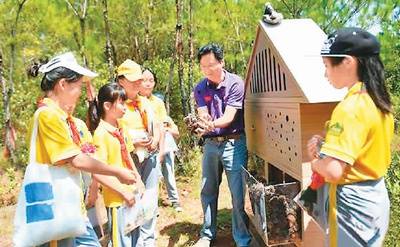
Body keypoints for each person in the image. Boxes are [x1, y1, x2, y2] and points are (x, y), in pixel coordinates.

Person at [27, 52, 137, 247]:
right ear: (62, 85)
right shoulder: (47, 116)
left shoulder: (70, 122)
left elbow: (90, 159)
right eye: (78, 86)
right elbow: (76, 160)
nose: (80, 92)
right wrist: (117, 171)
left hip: (71, 208)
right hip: (53, 208)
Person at [307, 27, 393, 247]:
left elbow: (334, 171)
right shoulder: (379, 101)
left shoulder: (350, 107)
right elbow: (362, 148)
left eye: (326, 66)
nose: (325, 73)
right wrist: (326, 144)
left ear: (347, 62)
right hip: (375, 199)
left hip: (351, 206)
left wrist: (315, 162)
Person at [192, 43, 251, 247]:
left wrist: (209, 124)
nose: (207, 70)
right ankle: (207, 234)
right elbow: (202, 113)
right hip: (210, 144)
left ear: (221, 62)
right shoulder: (200, 87)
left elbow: (228, 117)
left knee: (237, 194)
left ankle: (242, 239)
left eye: (211, 65)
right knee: (207, 189)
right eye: (203, 66)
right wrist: (201, 124)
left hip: (234, 143)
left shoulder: (236, 83)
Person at [88, 82, 145, 246]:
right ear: (107, 105)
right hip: (116, 200)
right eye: (121, 103)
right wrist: (122, 192)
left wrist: (138, 181)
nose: (125, 107)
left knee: (136, 238)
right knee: (121, 241)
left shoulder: (121, 127)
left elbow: (127, 155)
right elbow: (98, 172)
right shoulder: (100, 135)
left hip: (131, 194)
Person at [116, 59, 161, 247]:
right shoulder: (115, 102)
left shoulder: (144, 101)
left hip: (149, 156)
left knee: (150, 198)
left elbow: (157, 125)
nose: (137, 83)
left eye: (139, 79)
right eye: (133, 80)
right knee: (132, 202)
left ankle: (148, 241)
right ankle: (133, 242)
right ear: (120, 81)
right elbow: (113, 132)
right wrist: (133, 142)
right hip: (128, 158)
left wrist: (156, 140)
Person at [140, 68, 182, 212]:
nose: (147, 84)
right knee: (150, 175)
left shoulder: (157, 102)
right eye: (144, 80)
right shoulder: (134, 101)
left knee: (168, 170)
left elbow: (163, 124)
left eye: (151, 80)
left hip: (163, 140)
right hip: (145, 143)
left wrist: (162, 149)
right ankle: (151, 206)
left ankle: (175, 201)